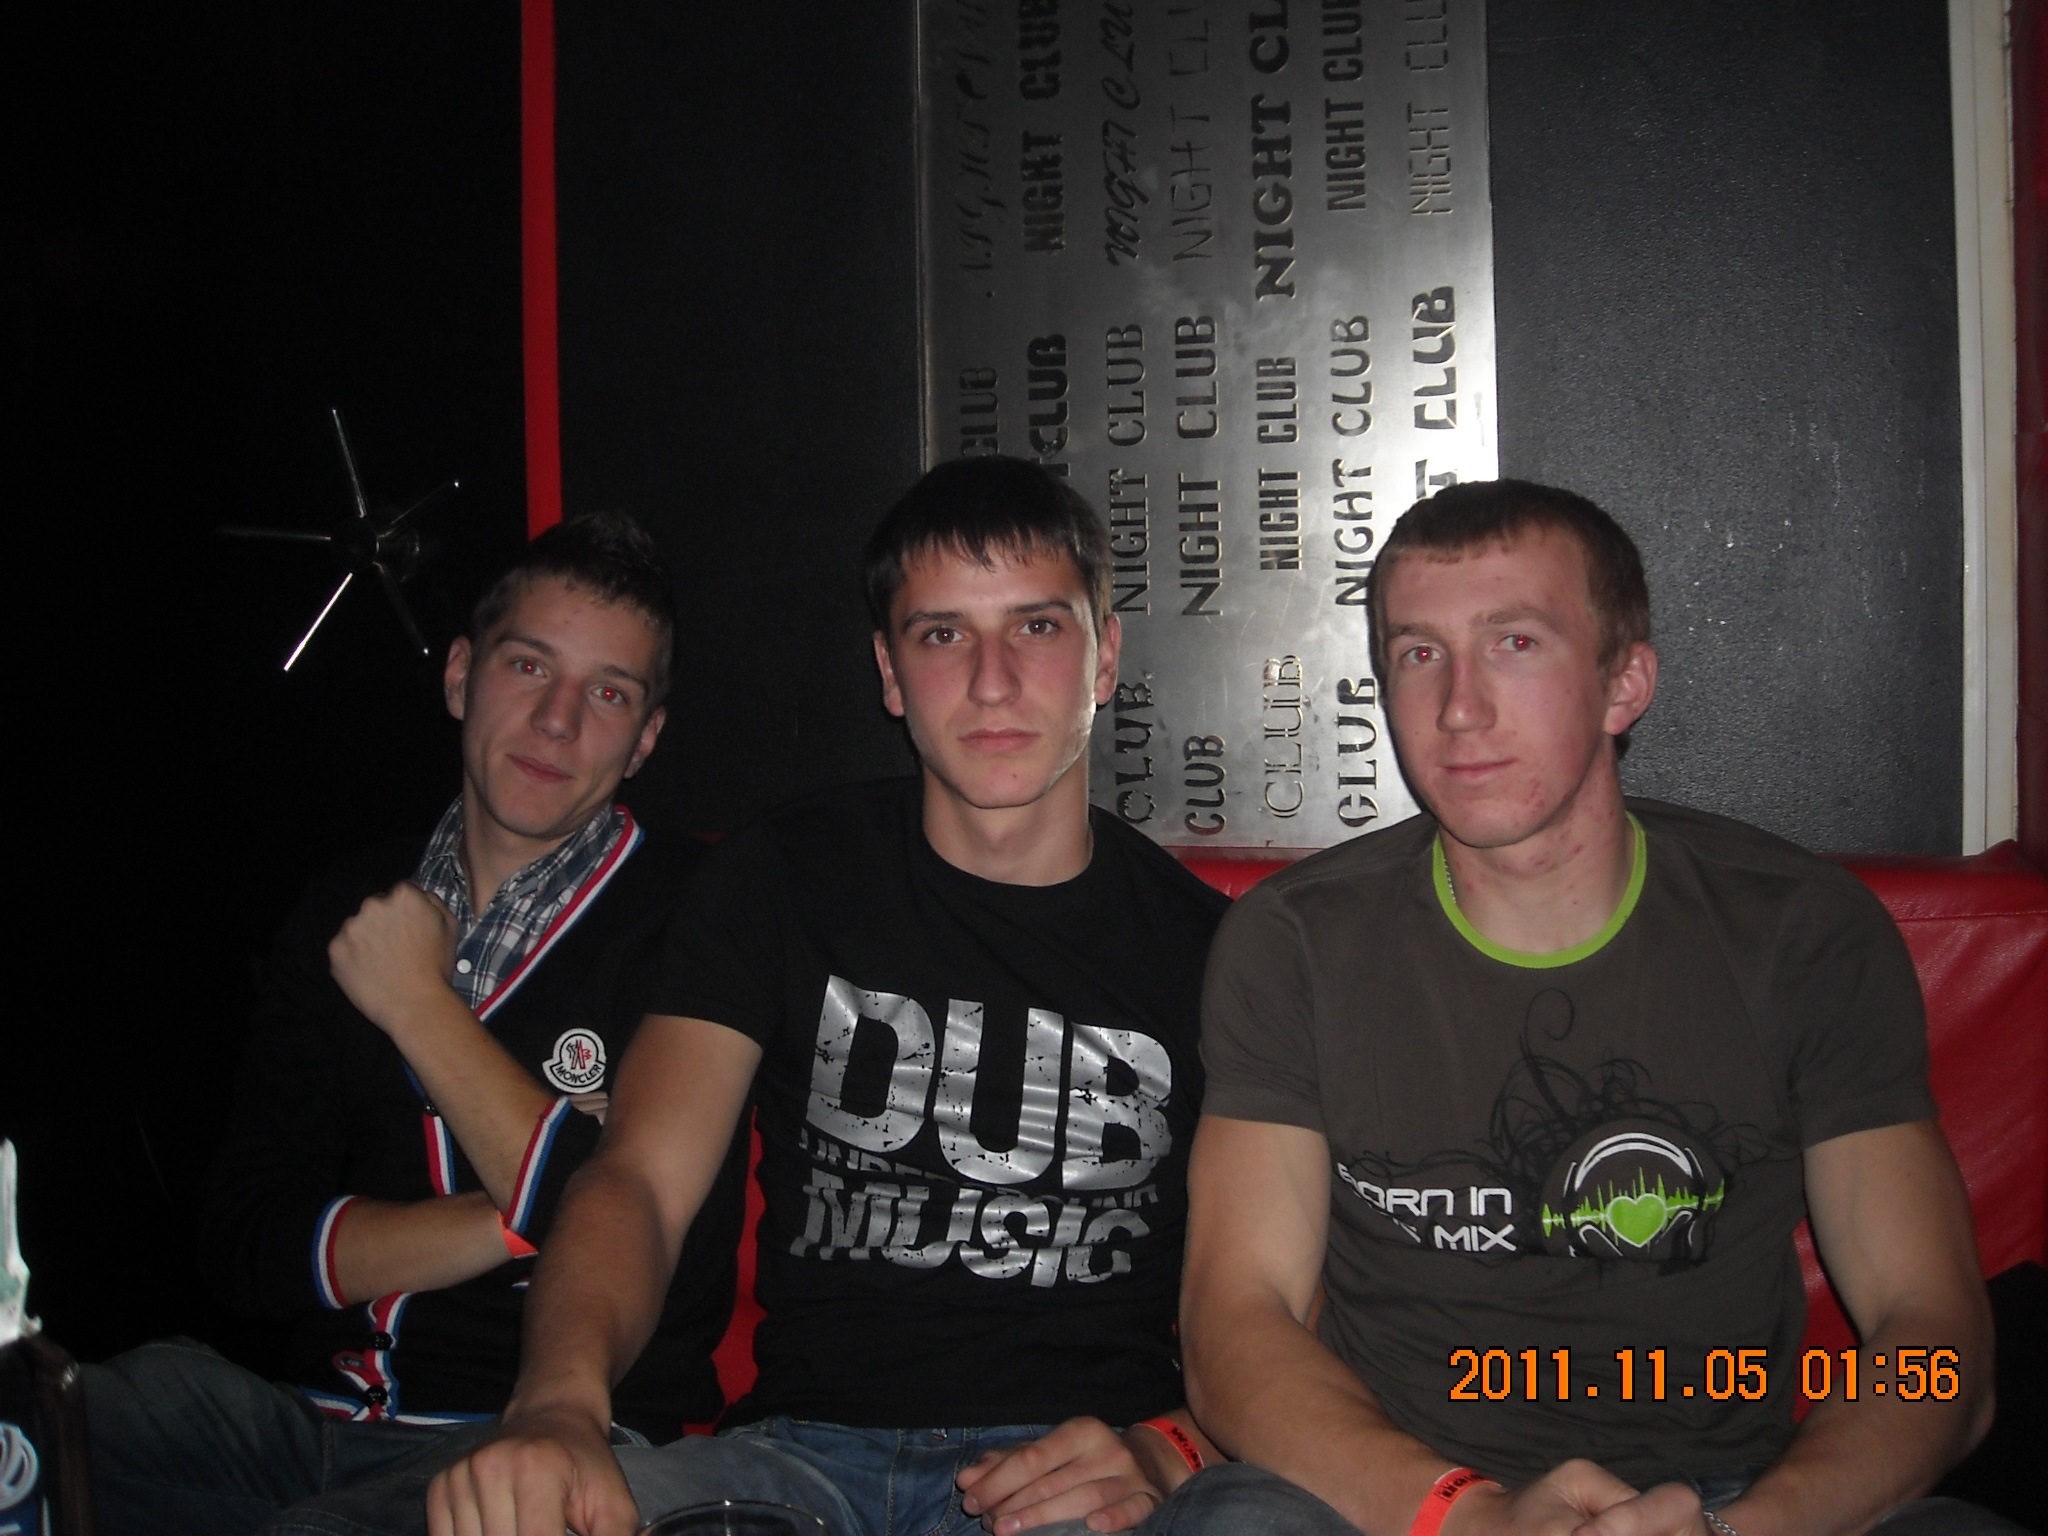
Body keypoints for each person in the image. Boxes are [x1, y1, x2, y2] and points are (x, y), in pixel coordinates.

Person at [1179, 480, 2011, 1536]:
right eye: (1418, 653)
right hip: (1391, 1496)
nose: (1458, 707)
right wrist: (1468, 1516)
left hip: (1728, 1496)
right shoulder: (1296, 943)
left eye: (1514, 644)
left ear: (1624, 684)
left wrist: (1751, 1528)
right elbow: (1232, 1323)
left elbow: (1934, 1337)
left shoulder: (1800, 935)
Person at [427, 457, 1231, 1536]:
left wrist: (1172, 1445)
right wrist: (561, 1405)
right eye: (941, 635)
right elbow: (641, 1181)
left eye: (1036, 627)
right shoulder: (780, 876)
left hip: (1073, 1476)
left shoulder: (1213, 952)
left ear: (1105, 657)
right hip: (798, 1463)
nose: (992, 682)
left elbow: (1277, 1296)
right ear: (890, 673)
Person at [85, 513, 746, 1536]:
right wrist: (522, 1208)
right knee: (74, 1418)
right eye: (529, 667)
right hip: (308, 1422)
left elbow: (657, 1246)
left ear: (645, 741)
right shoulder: (349, 902)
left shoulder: (700, 908)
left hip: (541, 1441)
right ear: (461, 676)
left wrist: (415, 1003)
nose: (557, 721)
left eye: (609, 693)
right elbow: (246, 1242)